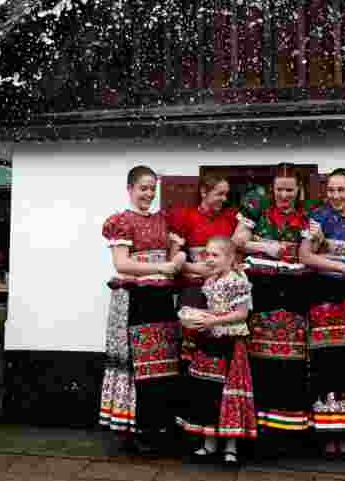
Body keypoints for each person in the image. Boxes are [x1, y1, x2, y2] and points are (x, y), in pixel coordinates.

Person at [99, 166, 186, 454]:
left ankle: (156, 428)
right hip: (135, 298)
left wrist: (175, 256)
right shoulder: (121, 222)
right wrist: (160, 266)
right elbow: (122, 264)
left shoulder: (163, 220)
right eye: (143, 188)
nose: (149, 194)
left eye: (152, 188)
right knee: (138, 363)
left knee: (161, 364)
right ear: (130, 189)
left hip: (160, 298)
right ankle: (134, 431)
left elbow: (171, 258)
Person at [232, 163, 313, 447]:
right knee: (261, 355)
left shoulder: (307, 212)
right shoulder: (258, 206)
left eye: (290, 190)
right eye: (279, 189)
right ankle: (261, 430)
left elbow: (316, 245)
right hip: (264, 288)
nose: (284, 195)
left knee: (292, 358)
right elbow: (238, 240)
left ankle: (288, 431)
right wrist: (265, 246)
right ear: (272, 189)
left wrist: (318, 238)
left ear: (298, 190)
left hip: (295, 291)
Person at [299, 168, 345, 459]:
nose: (336, 196)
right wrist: (343, 267)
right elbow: (305, 255)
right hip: (324, 296)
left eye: (341, 190)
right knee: (326, 364)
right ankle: (328, 434)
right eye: (331, 190)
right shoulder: (317, 217)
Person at [176, 235, 256, 465]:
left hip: (230, 340)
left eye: (215, 255)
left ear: (230, 259)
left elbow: (242, 314)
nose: (209, 259)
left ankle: (231, 447)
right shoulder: (210, 280)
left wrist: (213, 321)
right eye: (207, 254)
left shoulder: (238, 279)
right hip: (209, 339)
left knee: (228, 392)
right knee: (208, 389)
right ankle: (209, 442)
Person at [167, 174, 238, 368]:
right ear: (204, 192)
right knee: (190, 347)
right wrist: (195, 268)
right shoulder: (185, 217)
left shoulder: (230, 219)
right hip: (193, 291)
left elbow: (236, 258)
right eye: (219, 194)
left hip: (222, 293)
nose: (224, 199)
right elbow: (173, 260)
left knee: (217, 350)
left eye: (226, 195)